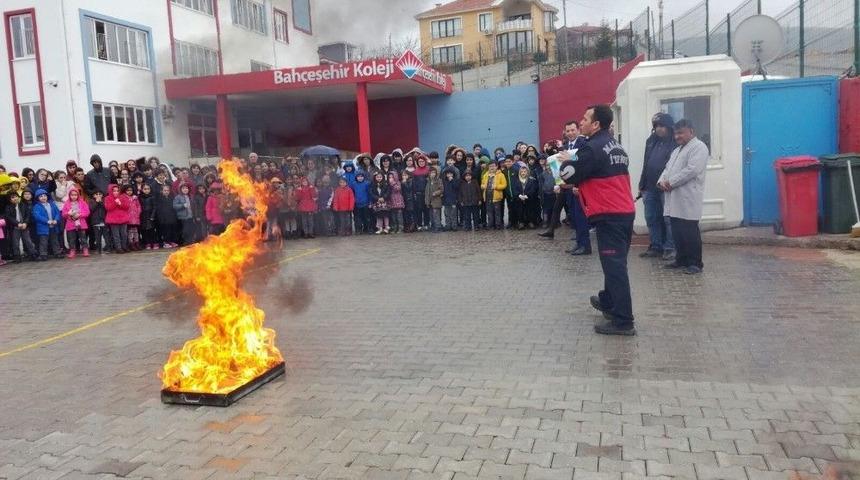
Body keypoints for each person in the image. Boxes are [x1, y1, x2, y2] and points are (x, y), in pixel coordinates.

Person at [559, 104, 636, 336]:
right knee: (613, 264)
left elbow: (567, 174)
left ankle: (623, 321)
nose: (580, 122)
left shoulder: (592, 148)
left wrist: (566, 161)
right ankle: (608, 302)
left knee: (615, 267)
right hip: (623, 212)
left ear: (596, 124)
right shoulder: (616, 147)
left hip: (610, 214)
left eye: (584, 119)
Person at [658, 119, 709, 275]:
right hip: (674, 196)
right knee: (678, 231)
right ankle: (681, 259)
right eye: (676, 133)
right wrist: (661, 181)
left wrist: (671, 182)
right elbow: (667, 168)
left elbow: (692, 170)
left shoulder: (699, 147)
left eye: (681, 132)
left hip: (688, 196)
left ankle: (695, 263)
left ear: (691, 132)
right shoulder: (677, 150)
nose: (677, 136)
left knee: (689, 231)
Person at [639, 112, 677, 261]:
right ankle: (656, 246)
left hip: (665, 187)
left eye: (662, 126)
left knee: (668, 219)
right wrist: (642, 184)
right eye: (656, 126)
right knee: (651, 217)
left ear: (669, 126)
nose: (659, 129)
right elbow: (646, 163)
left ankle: (670, 248)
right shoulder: (651, 141)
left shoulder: (675, 142)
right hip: (649, 186)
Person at [3, 191, 36, 261]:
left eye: (16, 197)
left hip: (24, 226)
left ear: (19, 197)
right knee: (15, 242)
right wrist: (17, 223)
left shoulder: (23, 205)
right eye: (12, 197)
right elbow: (9, 217)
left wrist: (25, 223)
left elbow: (27, 215)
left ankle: (33, 254)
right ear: (10, 199)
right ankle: (17, 256)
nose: (15, 198)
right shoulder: (8, 207)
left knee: (28, 241)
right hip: (15, 227)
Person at [31, 189, 63, 260]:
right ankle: (43, 254)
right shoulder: (37, 206)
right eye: (41, 196)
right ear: (38, 198)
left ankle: (57, 252)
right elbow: (37, 216)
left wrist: (56, 220)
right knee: (43, 241)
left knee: (55, 240)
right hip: (43, 227)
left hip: (53, 226)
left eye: (44, 195)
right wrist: (47, 221)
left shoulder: (52, 204)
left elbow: (57, 213)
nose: (43, 197)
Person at [61, 188, 90, 258]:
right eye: (72, 195)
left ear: (78, 195)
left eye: (75, 195)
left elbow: (87, 212)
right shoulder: (66, 203)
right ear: (69, 195)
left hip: (81, 223)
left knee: (83, 238)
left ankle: (85, 249)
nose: (74, 196)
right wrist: (68, 214)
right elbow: (63, 214)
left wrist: (80, 215)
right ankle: (72, 250)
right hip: (71, 223)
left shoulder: (82, 202)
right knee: (71, 239)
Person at [104, 184, 130, 253]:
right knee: (116, 235)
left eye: (117, 191)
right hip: (113, 220)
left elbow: (127, 207)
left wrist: (120, 204)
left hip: (123, 218)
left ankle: (124, 246)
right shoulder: (107, 198)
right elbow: (108, 208)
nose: (116, 192)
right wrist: (115, 203)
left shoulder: (123, 197)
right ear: (110, 191)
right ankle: (118, 248)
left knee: (124, 234)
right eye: (114, 191)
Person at [481, 162, 507, 230]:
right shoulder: (486, 175)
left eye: (493, 166)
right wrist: (483, 186)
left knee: (497, 212)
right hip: (487, 197)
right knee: (489, 212)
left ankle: (498, 225)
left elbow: (504, 185)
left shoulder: (501, 175)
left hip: (496, 197)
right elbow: (482, 183)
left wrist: (496, 187)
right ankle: (490, 225)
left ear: (497, 166)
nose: (492, 168)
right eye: (490, 166)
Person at [155, 184, 179, 248]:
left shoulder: (172, 198)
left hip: (171, 217)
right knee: (166, 231)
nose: (166, 192)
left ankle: (172, 241)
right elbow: (158, 210)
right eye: (165, 190)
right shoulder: (159, 199)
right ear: (162, 191)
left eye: (168, 190)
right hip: (164, 218)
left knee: (172, 230)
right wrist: (161, 218)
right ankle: (166, 242)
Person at [139, 183, 158, 249]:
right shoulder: (140, 197)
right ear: (142, 189)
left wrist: (153, 216)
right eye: (145, 189)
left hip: (150, 216)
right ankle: (148, 243)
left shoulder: (152, 197)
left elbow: (155, 207)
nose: (146, 190)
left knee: (152, 230)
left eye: (148, 189)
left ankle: (154, 242)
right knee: (145, 230)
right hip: (143, 216)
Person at [425, 168, 443, 232]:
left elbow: (441, 189)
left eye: (434, 173)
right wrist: (427, 202)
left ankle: (438, 226)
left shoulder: (439, 180)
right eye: (431, 173)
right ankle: (433, 226)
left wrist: (436, 193)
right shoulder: (428, 181)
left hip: (436, 201)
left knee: (436, 215)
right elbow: (427, 192)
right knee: (431, 215)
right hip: (430, 202)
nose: (432, 174)